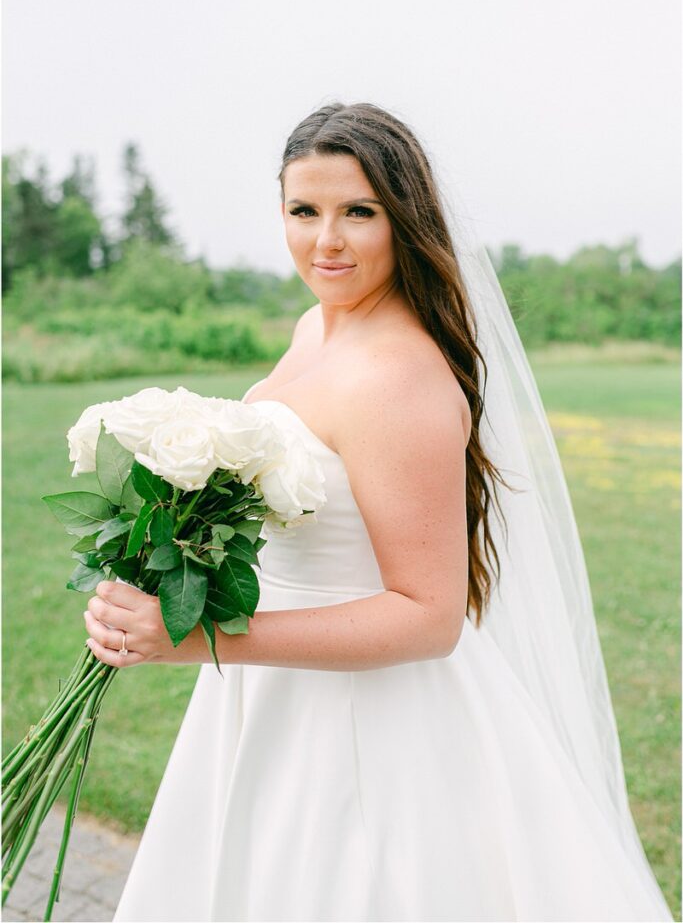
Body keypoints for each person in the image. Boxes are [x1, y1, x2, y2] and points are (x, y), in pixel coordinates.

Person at [84, 102, 673, 921]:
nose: (326, 240)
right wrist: (166, 573)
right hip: (266, 693)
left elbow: (429, 616)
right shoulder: (312, 330)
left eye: (358, 212)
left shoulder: (398, 378)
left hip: (368, 720)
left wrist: (195, 638)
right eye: (304, 210)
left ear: (404, 219)